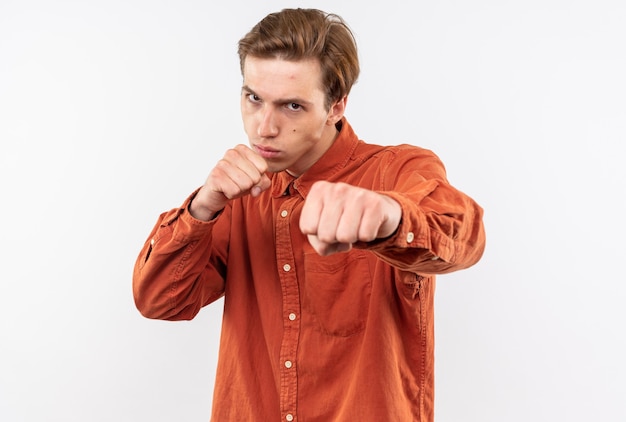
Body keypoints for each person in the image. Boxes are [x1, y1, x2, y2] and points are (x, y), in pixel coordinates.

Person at [133, 8, 485, 421]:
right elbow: (160, 301)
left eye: (293, 106)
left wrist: (388, 216)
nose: (264, 127)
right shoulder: (236, 196)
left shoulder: (397, 170)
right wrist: (202, 207)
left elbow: (463, 236)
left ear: (336, 106)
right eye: (253, 98)